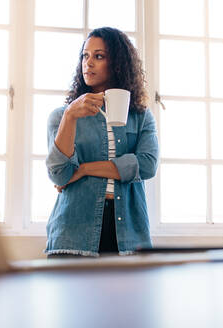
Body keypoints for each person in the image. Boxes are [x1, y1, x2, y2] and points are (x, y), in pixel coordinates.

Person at [44, 27, 159, 257]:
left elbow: (147, 165)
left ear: (117, 63)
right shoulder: (62, 116)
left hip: (129, 236)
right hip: (73, 234)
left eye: (99, 56)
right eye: (85, 56)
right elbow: (60, 175)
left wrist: (84, 169)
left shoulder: (141, 116)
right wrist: (70, 116)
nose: (89, 63)